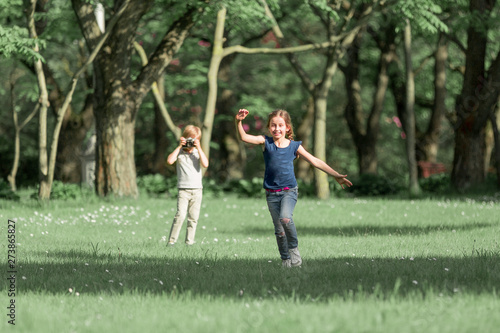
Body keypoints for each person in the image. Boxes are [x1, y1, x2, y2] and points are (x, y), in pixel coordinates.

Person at [235, 108, 352, 267]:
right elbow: (244, 137)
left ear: (287, 127)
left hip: (289, 191)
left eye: (280, 125)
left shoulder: (294, 146)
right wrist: (239, 121)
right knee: (279, 230)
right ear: (269, 127)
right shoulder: (265, 142)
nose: (277, 129)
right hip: (271, 193)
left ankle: (294, 252)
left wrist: (336, 174)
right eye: (273, 125)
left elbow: (315, 161)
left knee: (285, 218)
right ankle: (285, 260)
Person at [166, 125, 209, 245]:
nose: (191, 143)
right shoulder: (179, 152)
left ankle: (189, 242)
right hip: (183, 190)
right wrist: (180, 146)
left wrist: (198, 147)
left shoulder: (197, 152)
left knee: (193, 218)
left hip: (197, 190)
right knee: (180, 215)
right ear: (184, 138)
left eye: (194, 140)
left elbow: (205, 164)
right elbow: (170, 161)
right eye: (189, 139)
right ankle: (171, 241)